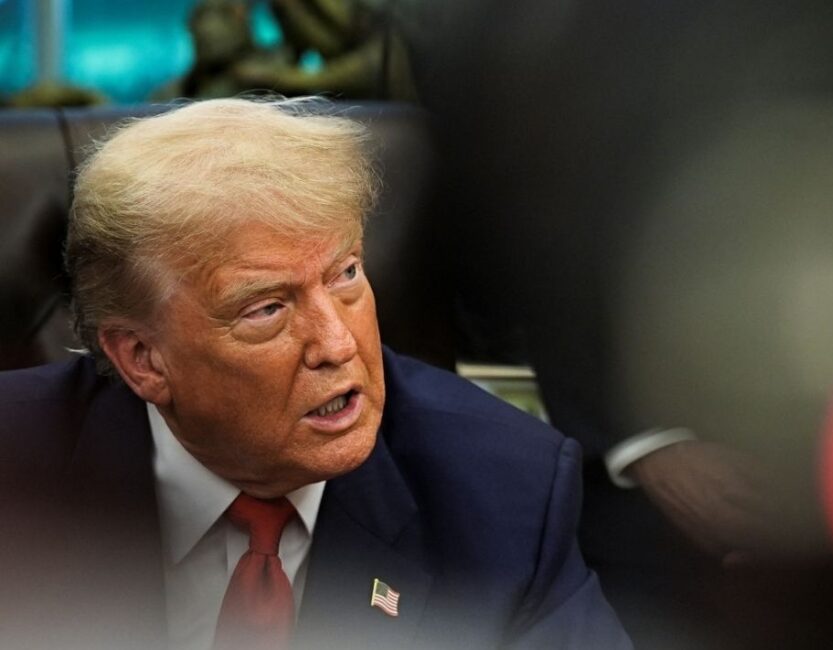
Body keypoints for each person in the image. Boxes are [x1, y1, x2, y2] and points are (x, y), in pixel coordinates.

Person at [0, 97, 630, 650]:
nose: (337, 344)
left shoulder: (504, 494)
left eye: (346, 275)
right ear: (142, 358)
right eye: (267, 308)